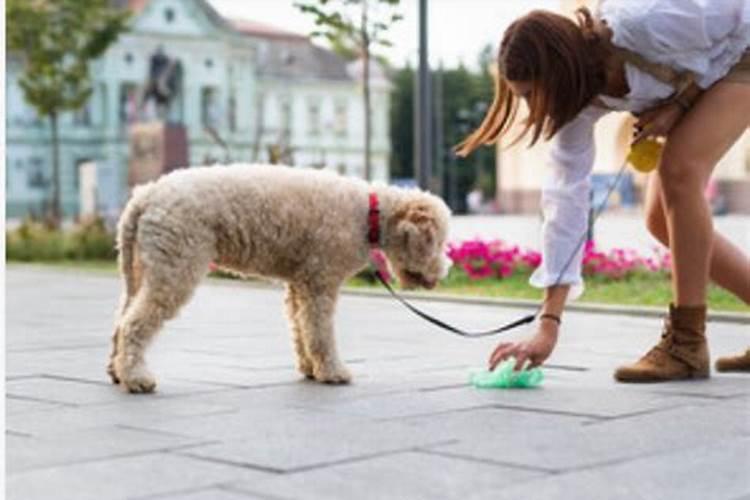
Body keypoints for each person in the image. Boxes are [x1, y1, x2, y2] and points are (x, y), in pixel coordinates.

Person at [456, 1, 750, 381]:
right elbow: (565, 204)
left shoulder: (647, 22)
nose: (531, 109)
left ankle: (686, 344)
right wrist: (548, 325)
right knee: (660, 219)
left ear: (559, 72)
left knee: (680, 170)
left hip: (745, 42)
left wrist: (681, 103)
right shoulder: (577, 104)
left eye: (530, 94)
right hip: (709, 74)